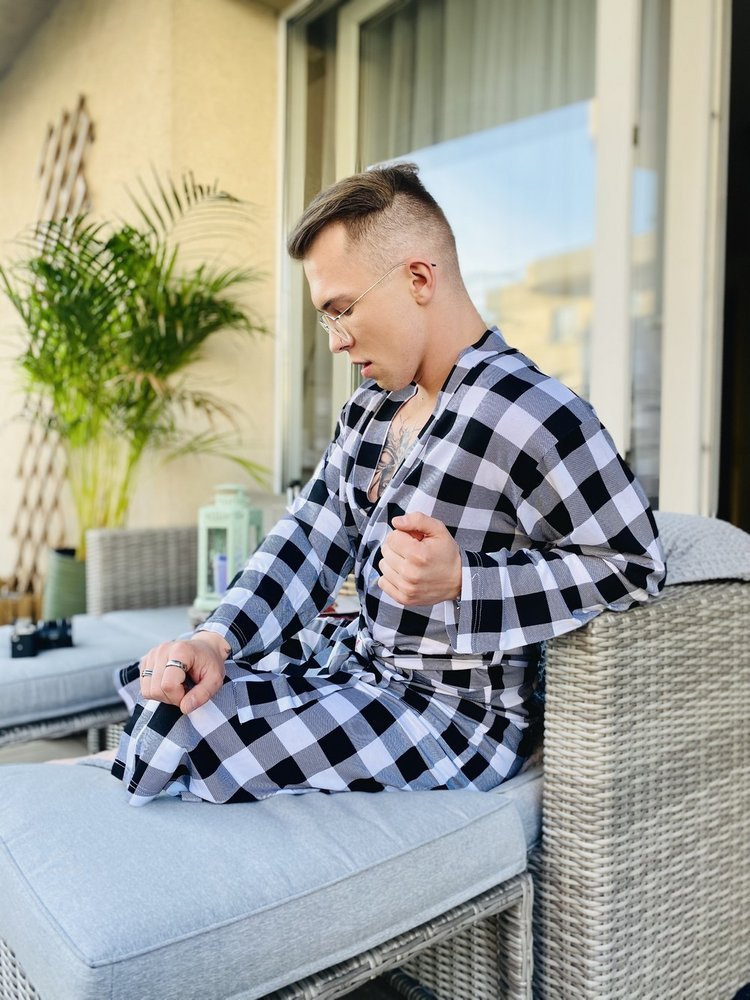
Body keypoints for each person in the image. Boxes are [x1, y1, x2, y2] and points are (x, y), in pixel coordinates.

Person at [110, 163, 666, 805]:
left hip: (453, 719)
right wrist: (216, 638)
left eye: (341, 310)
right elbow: (308, 539)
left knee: (183, 731)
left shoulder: (532, 412)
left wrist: (465, 581)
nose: (336, 342)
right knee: (176, 686)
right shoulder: (371, 410)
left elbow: (632, 563)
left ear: (419, 278)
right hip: (353, 668)